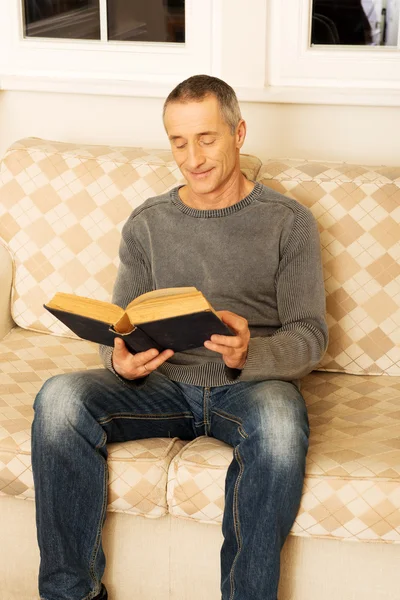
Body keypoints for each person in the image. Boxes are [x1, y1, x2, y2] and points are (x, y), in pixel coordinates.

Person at [32, 74, 328, 600]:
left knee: (282, 427)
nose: (193, 157)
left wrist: (251, 352)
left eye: (206, 138)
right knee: (58, 399)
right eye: (178, 141)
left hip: (250, 387)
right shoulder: (147, 223)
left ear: (238, 133)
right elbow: (120, 323)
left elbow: (310, 335)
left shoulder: (289, 223)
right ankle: (70, 594)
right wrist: (118, 358)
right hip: (161, 385)